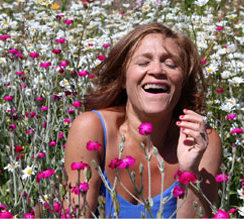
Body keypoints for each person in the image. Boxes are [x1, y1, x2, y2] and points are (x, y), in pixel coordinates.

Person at [64, 23, 222, 218]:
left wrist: (189, 170)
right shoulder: (91, 129)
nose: (157, 70)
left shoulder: (202, 141)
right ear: (122, 78)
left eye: (171, 64)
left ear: (183, 81)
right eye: (143, 63)